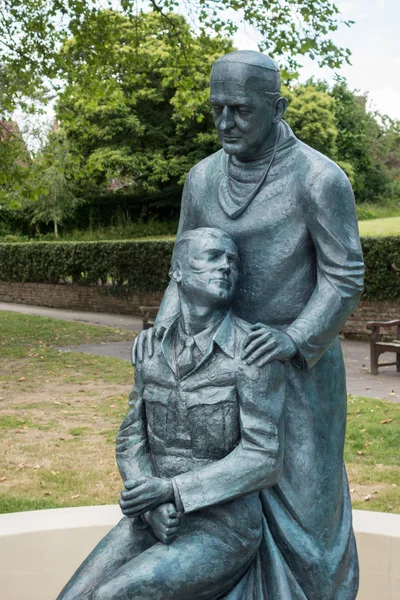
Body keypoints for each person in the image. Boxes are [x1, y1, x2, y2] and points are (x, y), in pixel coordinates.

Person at [133, 50, 365, 599]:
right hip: (216, 365)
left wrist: (292, 338)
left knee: (309, 515)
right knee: (212, 499)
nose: (224, 122)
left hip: (297, 370)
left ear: (277, 106)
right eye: (216, 109)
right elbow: (180, 270)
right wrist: (166, 338)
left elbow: (344, 275)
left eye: (239, 109)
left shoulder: (318, 178)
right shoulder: (202, 178)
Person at [56, 227, 285, 600]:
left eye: (232, 261)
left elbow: (263, 458)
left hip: (223, 526)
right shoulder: (150, 350)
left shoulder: (251, 353)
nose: (226, 266)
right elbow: (131, 436)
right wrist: (149, 507)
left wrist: (172, 492)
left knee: (111, 596)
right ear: (178, 271)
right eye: (212, 257)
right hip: (154, 518)